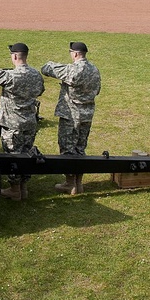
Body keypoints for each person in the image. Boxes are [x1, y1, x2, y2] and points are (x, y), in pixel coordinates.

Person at [0, 43, 44, 201]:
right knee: (27, 153)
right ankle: (24, 188)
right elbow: (40, 90)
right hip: (30, 121)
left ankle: (15, 190)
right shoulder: (36, 75)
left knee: (13, 156)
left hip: (13, 124)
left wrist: (6, 71)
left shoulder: (10, 76)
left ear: (15, 56)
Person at [40, 42, 101, 195]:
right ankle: (79, 184)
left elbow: (46, 69)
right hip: (87, 114)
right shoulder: (94, 70)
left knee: (67, 149)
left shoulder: (72, 70)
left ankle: (70, 183)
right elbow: (97, 90)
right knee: (80, 149)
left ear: (74, 54)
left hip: (71, 115)